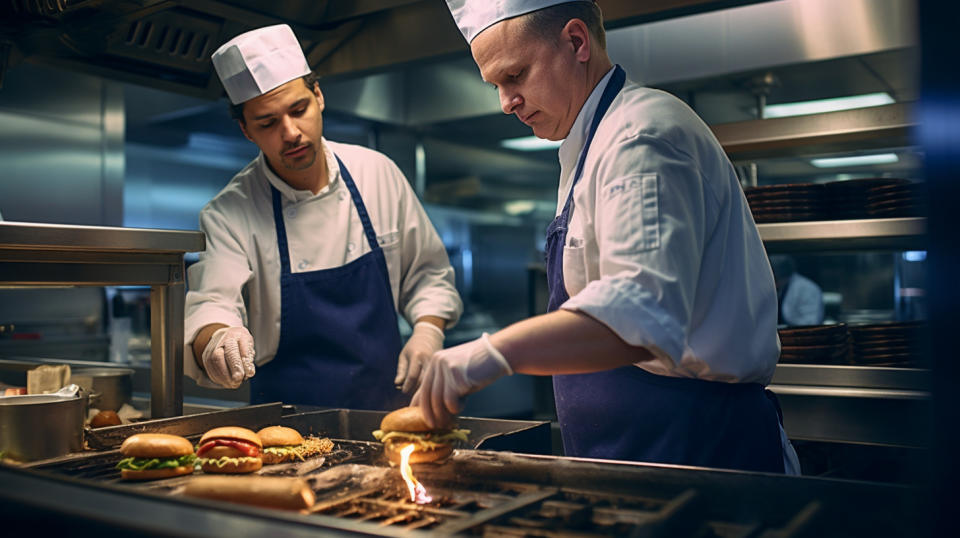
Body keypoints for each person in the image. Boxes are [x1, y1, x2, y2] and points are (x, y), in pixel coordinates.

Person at [412, 0, 800, 474]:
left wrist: (492, 353)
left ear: (576, 42)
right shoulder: (587, 146)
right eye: (495, 85)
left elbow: (638, 316)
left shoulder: (641, 136)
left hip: (702, 456)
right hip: (637, 457)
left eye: (514, 76)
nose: (505, 102)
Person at [184, 24, 462, 410]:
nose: (291, 133)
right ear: (246, 130)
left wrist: (428, 331)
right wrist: (218, 339)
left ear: (319, 95)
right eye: (267, 123)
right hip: (283, 428)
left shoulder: (376, 173)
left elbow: (429, 274)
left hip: (387, 410)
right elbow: (212, 304)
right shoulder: (228, 213)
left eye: (299, 110)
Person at [769, 255, 824, 326]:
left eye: (776, 279)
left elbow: (811, 322)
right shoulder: (781, 288)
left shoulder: (807, 288)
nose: (775, 284)